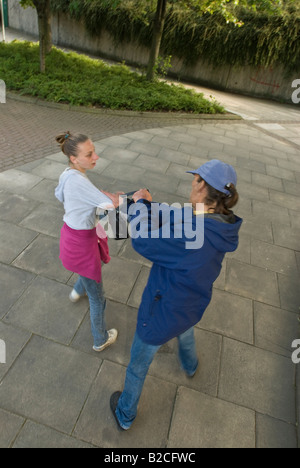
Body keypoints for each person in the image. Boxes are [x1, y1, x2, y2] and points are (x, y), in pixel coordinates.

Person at [110, 159, 243, 431]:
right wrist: (143, 205)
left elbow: (143, 239)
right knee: (185, 330)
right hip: (192, 304)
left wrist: (141, 206)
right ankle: (191, 366)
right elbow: (178, 216)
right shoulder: (218, 222)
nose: (191, 182)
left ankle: (125, 413)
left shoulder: (194, 232)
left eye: (195, 178)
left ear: (201, 185)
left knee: (137, 365)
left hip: (162, 309)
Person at [55, 131, 121, 352]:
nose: (96, 157)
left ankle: (77, 291)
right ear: (74, 158)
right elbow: (110, 205)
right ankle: (100, 339)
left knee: (92, 269)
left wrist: (98, 198)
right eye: (89, 154)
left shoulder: (68, 173)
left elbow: (59, 195)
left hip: (72, 235)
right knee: (98, 299)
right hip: (83, 244)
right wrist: (119, 198)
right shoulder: (79, 182)